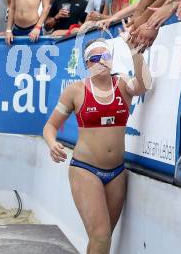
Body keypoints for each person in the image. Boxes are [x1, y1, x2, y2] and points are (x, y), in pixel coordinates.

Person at [43, 28, 151, 253]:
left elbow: (144, 85)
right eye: (96, 58)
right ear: (87, 63)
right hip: (85, 170)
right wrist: (52, 143)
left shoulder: (122, 85)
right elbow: (50, 126)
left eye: (106, 56)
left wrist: (134, 51)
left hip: (117, 173)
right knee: (101, 237)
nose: (102, 61)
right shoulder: (76, 91)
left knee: (102, 239)